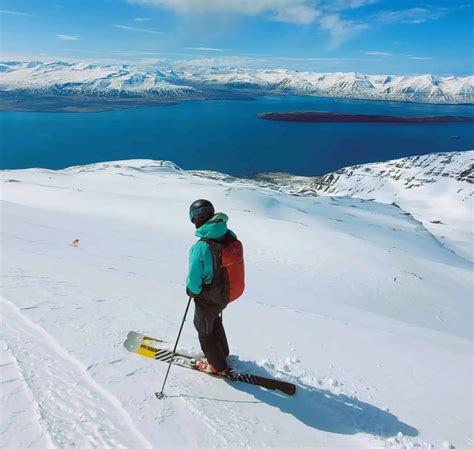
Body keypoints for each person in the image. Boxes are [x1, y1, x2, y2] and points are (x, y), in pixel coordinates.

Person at [186, 199, 244, 376]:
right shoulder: (228, 235)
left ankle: (219, 367)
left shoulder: (201, 246)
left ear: (195, 220)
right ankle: (223, 353)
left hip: (210, 297)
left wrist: (191, 291)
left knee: (204, 330)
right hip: (229, 293)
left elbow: (194, 280)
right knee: (214, 319)